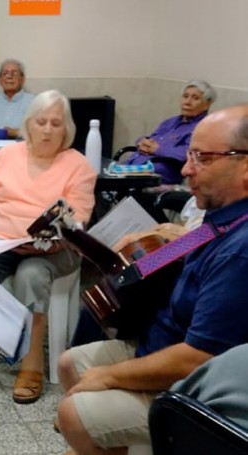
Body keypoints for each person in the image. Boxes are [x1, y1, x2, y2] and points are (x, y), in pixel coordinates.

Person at [56, 104, 248, 455]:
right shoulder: (223, 216)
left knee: (72, 412)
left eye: (203, 158)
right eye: (190, 155)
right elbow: (178, 250)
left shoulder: (241, 251)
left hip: (189, 384)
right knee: (70, 363)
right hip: (159, 341)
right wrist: (137, 245)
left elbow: (198, 357)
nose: (187, 169)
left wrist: (112, 376)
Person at [0, 90, 97, 404]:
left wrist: (56, 231)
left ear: (66, 129)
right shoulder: (9, 155)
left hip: (57, 249)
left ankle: (31, 365)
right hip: (4, 241)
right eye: (41, 121)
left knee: (30, 275)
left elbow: (78, 222)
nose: (47, 129)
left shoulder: (78, 165)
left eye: (55, 123)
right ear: (29, 125)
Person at [125, 79, 216, 184]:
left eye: (195, 98)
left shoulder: (203, 128)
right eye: (185, 96)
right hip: (135, 167)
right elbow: (152, 138)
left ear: (207, 104)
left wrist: (157, 149)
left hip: (157, 176)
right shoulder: (171, 122)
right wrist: (142, 142)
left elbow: (186, 154)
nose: (187, 102)